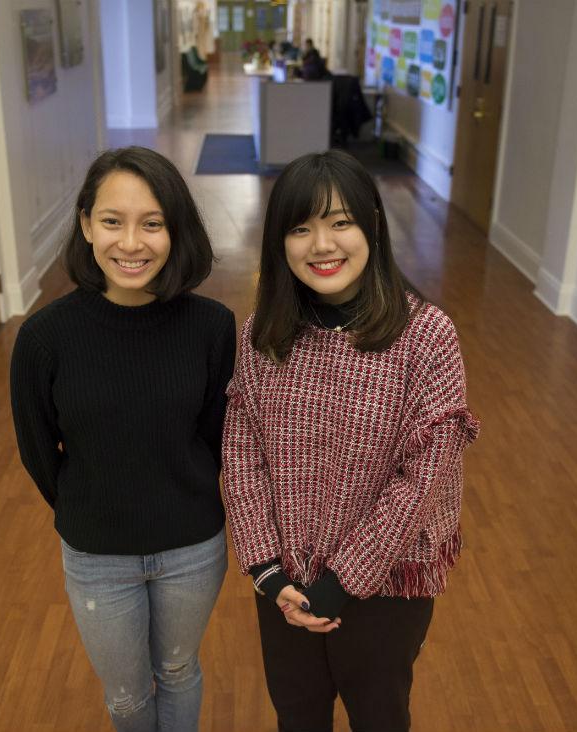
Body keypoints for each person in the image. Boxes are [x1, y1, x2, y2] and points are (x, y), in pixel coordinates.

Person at [222, 149, 479, 732]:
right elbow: (241, 455)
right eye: (301, 227)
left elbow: (424, 479)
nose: (322, 245)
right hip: (285, 583)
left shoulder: (427, 337)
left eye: (341, 222)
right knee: (298, 717)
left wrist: (340, 584)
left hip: (385, 588)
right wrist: (268, 571)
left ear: (373, 226)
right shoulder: (261, 335)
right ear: (278, 243)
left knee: (380, 717)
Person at [10, 146, 235, 732]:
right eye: (112, 221)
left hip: (191, 548)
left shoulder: (211, 327)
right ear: (86, 225)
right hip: (97, 557)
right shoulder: (44, 338)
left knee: (180, 669)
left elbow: (216, 435)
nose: (131, 243)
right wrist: (90, 513)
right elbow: (39, 452)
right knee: (130, 696)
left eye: (152, 224)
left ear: (174, 231)